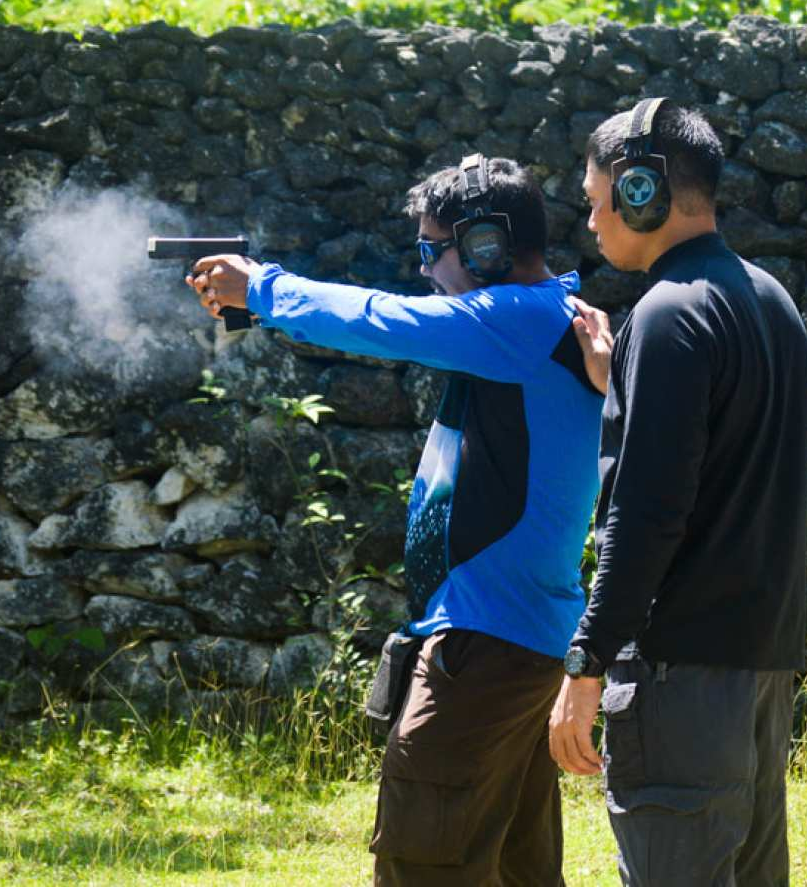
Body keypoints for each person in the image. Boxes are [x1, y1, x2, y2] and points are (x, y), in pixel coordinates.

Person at [186, 155, 610, 886]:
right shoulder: (537, 318)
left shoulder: (522, 317)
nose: (424, 270)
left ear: (484, 245)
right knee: (514, 869)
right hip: (505, 640)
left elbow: (381, 320)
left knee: (421, 863)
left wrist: (262, 288)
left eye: (431, 250)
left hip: (486, 644)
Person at [546, 99, 807, 886]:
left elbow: (646, 514)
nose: (591, 222)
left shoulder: (666, 315)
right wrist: (621, 378)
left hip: (678, 672)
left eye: (597, 200)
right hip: (758, 663)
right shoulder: (769, 299)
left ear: (642, 191)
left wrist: (586, 662)